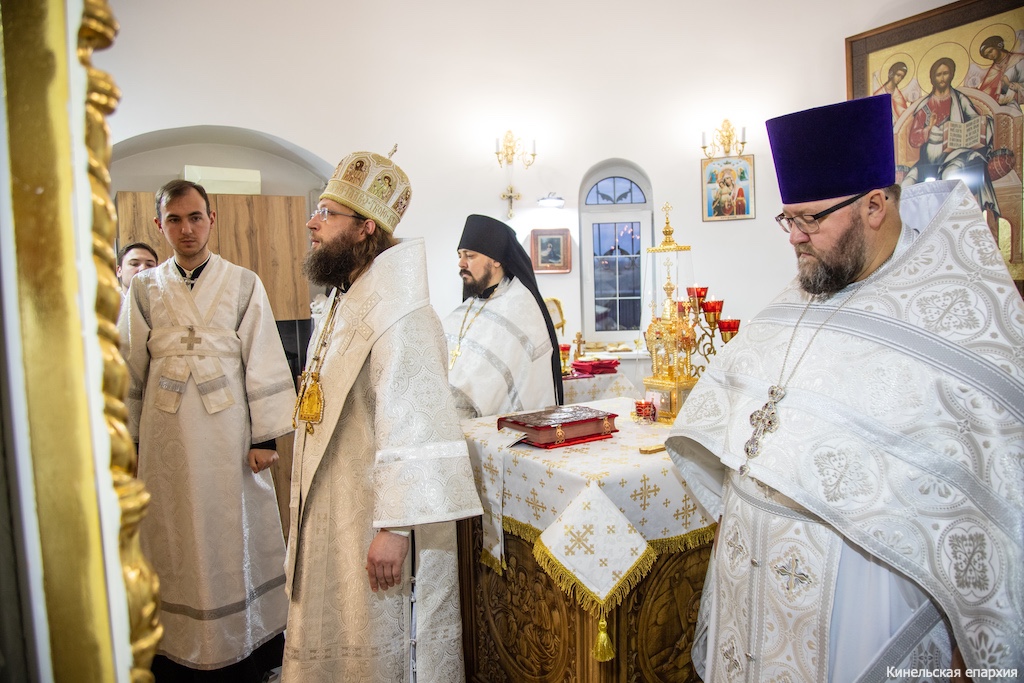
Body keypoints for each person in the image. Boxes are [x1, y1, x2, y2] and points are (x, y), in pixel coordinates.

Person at [667, 94, 1023, 682]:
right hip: (751, 597)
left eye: (810, 219)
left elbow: (993, 500)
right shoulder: (798, 299)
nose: (794, 238)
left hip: (864, 610)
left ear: (874, 205)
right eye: (788, 219)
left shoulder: (957, 320)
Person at [282, 150, 483, 682]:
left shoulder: (402, 312)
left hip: (377, 516)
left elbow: (417, 423)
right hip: (340, 504)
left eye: (327, 213)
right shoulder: (346, 298)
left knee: (382, 643)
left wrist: (394, 529)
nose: (313, 223)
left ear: (365, 227)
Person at [120, 179, 296, 682]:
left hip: (229, 436)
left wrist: (264, 439)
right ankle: (172, 649)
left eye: (195, 217)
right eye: (174, 220)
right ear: (160, 225)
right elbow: (130, 367)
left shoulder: (243, 282)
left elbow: (262, 355)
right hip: (165, 437)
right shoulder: (143, 289)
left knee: (231, 528)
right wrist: (129, 442)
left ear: (211, 219)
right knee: (170, 534)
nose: (186, 229)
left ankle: (244, 645)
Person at [442, 213, 564, 419]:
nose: (461, 263)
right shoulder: (470, 306)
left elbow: (491, 380)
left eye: (470, 256)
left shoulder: (519, 306)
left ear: (495, 260)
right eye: (460, 255)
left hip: (501, 428)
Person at [902, 57, 998, 216]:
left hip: (956, 155)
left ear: (951, 75)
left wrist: (977, 127)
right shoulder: (925, 107)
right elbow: (913, 139)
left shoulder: (960, 100)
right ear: (932, 78)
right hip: (927, 163)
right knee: (905, 186)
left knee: (949, 179)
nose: (942, 78)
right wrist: (929, 128)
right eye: (938, 74)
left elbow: (976, 121)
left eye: (945, 73)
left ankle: (954, 223)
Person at [978, 34, 1024, 107]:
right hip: (1000, 106)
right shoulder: (993, 70)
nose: (990, 56)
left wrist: (1010, 85)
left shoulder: (1018, 60)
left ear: (998, 46)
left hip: (1014, 102)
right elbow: (986, 91)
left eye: (990, 51)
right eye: (987, 55)